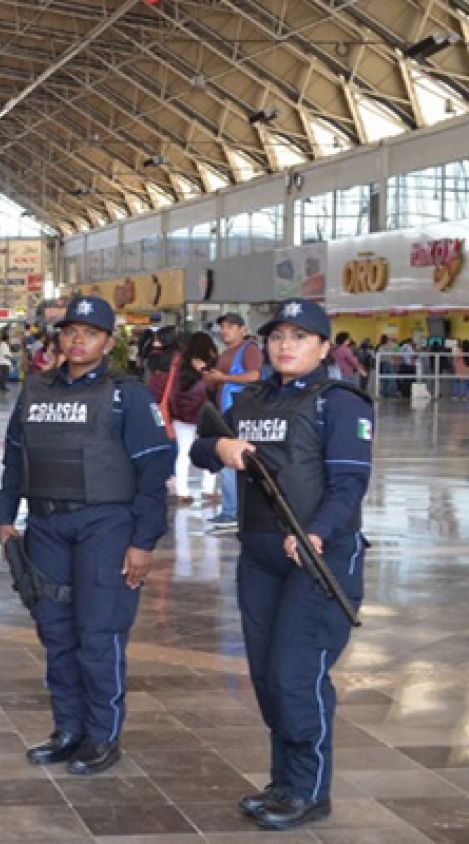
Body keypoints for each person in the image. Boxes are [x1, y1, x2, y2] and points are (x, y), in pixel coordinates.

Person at [189, 299, 373, 831]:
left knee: (296, 674)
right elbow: (202, 448)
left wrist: (317, 533)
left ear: (323, 346)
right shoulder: (253, 399)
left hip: (318, 556)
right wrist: (221, 447)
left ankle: (309, 791)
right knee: (268, 676)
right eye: (276, 337)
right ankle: (285, 783)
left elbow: (349, 483)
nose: (285, 346)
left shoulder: (340, 404)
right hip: (262, 553)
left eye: (299, 337)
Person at [0, 295, 173, 776]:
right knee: (56, 633)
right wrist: (6, 516)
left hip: (105, 525)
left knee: (98, 634)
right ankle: (67, 730)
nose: (78, 340)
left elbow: (154, 470)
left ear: (108, 343)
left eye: (90, 333)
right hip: (47, 525)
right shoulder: (35, 390)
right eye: (71, 331)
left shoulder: (127, 395)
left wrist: (144, 541)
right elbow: (15, 457)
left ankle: (101, 736)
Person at [203, 314, 262, 534]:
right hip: (226, 412)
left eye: (230, 326)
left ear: (242, 329)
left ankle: (232, 512)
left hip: (241, 413)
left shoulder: (249, 350)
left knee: (229, 460)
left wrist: (224, 378)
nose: (224, 330)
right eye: (222, 327)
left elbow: (255, 376)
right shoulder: (225, 353)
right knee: (227, 462)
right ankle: (231, 509)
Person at [169, 332, 218, 503]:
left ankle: (182, 491)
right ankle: (208, 488)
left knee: (183, 453)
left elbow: (174, 392)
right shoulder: (209, 367)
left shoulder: (180, 364)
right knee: (209, 450)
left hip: (181, 416)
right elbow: (212, 391)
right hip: (203, 415)